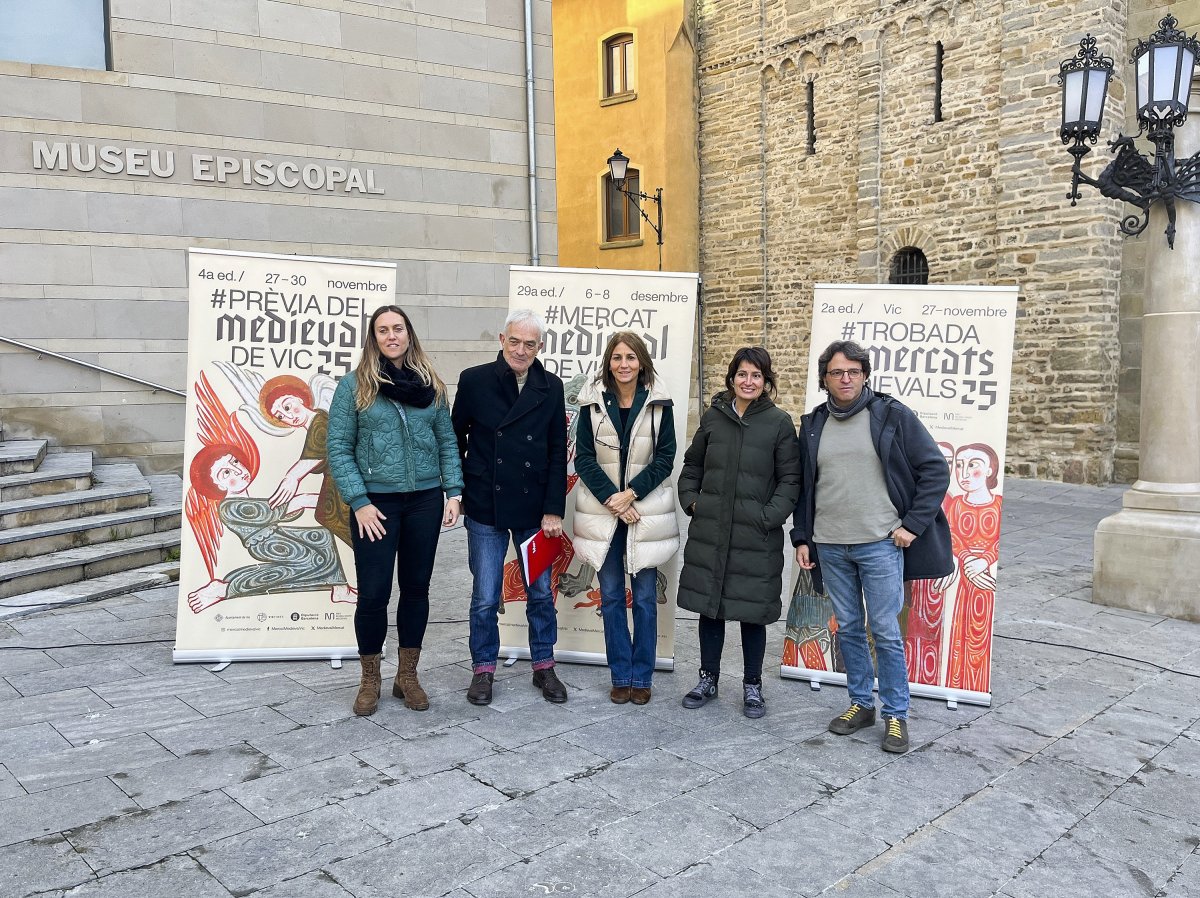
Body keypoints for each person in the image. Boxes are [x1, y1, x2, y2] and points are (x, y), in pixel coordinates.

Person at [792, 340, 952, 753]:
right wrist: (803, 536)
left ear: (864, 375)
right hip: (830, 544)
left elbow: (934, 469)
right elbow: (805, 487)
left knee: (884, 630)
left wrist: (912, 526)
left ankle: (896, 715)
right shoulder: (813, 424)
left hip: (880, 542)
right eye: (837, 372)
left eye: (854, 372)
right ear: (824, 379)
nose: (846, 379)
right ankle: (861, 704)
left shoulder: (892, 415)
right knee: (848, 628)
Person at [327, 305, 464, 717]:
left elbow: (447, 443)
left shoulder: (431, 386)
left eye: (398, 329)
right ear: (374, 338)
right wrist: (360, 502)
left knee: (417, 589)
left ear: (409, 335)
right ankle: (370, 679)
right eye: (383, 330)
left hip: (424, 500)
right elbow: (338, 448)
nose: (392, 336)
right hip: (376, 505)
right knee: (373, 595)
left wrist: (453, 491)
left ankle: (408, 676)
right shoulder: (353, 387)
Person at [452, 309, 569, 706]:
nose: (521, 350)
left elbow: (557, 451)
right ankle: (483, 668)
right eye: (515, 341)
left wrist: (554, 509)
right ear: (502, 340)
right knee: (485, 595)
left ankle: (544, 665)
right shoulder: (474, 380)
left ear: (540, 347)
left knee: (539, 593)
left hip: (535, 508)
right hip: (485, 503)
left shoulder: (551, 387)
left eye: (530, 344)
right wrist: (463, 485)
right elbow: (454, 439)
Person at [676, 347, 801, 718]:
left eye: (757, 376)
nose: (749, 381)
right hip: (711, 531)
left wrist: (768, 517)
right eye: (743, 374)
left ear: (766, 383)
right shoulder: (714, 418)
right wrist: (692, 501)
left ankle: (752, 685)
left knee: (753, 613)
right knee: (709, 608)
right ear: (731, 379)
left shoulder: (779, 423)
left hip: (755, 536)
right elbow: (692, 464)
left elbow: (790, 480)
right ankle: (708, 679)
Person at [572, 331, 679, 705]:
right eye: (617, 357)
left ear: (642, 362)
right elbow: (583, 457)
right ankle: (621, 675)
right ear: (608, 362)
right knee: (613, 596)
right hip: (605, 515)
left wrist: (630, 494)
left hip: (643, 513)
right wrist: (612, 499)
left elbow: (665, 457)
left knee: (646, 598)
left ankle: (642, 676)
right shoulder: (592, 404)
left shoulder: (659, 404)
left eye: (631, 357)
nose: (624, 364)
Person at [945, 441, 1003, 693]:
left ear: (990, 470)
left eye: (973, 465)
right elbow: (951, 534)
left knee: (980, 633)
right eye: (959, 466)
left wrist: (986, 559)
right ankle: (959, 683)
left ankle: (976, 684)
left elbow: (997, 539)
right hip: (963, 580)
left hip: (985, 579)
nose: (964, 473)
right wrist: (968, 558)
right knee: (961, 635)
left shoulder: (997, 503)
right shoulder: (957, 504)